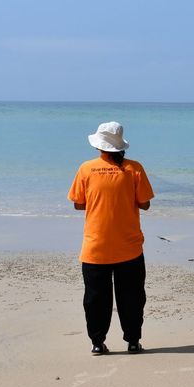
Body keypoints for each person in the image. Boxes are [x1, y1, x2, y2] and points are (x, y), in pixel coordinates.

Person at [68, 122, 154, 355]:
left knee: (96, 298)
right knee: (132, 297)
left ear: (99, 146)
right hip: (129, 247)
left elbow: (78, 203)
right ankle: (133, 341)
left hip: (96, 247)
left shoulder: (86, 169)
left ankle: (97, 342)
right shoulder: (134, 168)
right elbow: (145, 204)